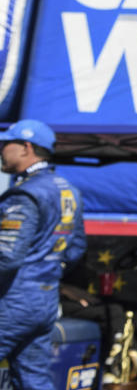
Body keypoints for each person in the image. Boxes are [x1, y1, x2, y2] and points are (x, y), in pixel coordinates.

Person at [0, 119, 87, 390]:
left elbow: (6, 255)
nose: (2, 149)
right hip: (46, 300)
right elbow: (75, 248)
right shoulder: (68, 190)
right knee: (34, 378)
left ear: (26, 147)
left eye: (6, 144)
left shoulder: (25, 194)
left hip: (13, 301)